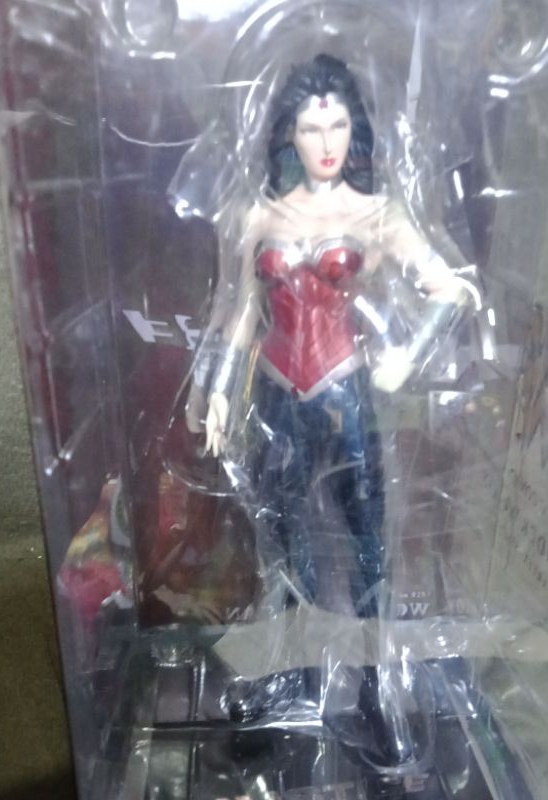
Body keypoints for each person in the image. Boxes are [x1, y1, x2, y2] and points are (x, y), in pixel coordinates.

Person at [199, 53, 476, 766]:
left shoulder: (376, 215)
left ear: (355, 131)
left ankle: (378, 690)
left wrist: (406, 356)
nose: (325, 141)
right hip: (276, 393)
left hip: (347, 393)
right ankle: (292, 682)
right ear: (288, 135)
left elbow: (452, 289)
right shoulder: (260, 215)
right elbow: (240, 313)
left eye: (338, 125)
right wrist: (221, 389)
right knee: (283, 546)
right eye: (310, 127)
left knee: (365, 548)